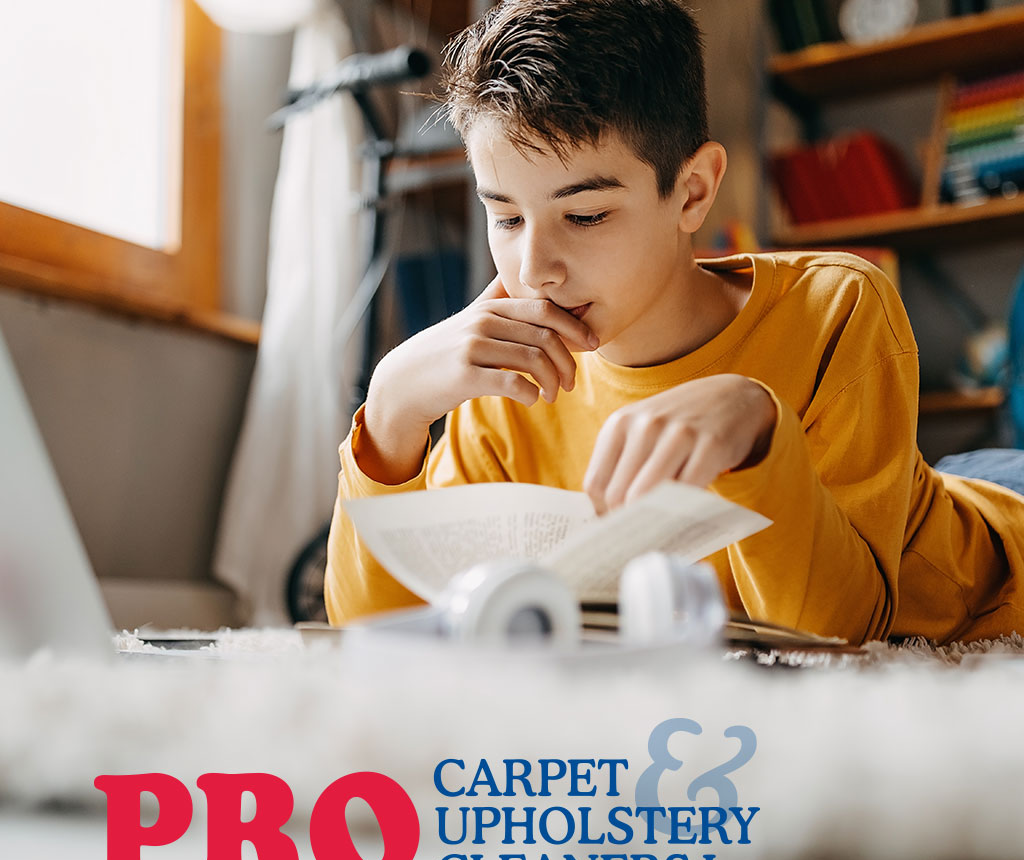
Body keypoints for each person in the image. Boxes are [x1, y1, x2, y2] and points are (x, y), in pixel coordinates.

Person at [324, 0, 1024, 645]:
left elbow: (840, 637)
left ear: (692, 193)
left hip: (988, 544)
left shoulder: (836, 306)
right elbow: (379, 637)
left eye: (585, 215)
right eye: (505, 216)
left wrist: (758, 427)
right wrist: (390, 415)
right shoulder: (511, 374)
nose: (533, 270)